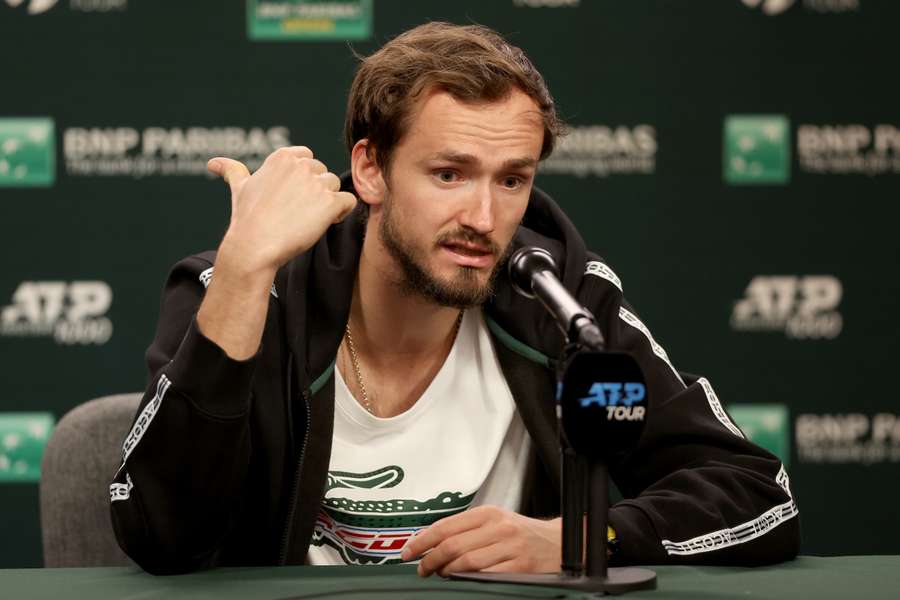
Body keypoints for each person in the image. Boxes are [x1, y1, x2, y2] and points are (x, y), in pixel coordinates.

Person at [109, 22, 799, 576]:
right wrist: (242, 273)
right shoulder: (252, 291)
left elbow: (753, 493)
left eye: (511, 180)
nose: (483, 215)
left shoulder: (560, 306)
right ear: (370, 169)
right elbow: (161, 538)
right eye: (448, 173)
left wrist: (587, 537)